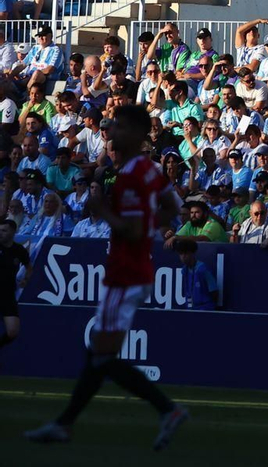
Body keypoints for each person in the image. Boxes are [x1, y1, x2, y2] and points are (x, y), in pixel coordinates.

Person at [25, 106, 189, 449]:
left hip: (126, 272)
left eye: (118, 126)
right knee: (99, 354)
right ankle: (66, 423)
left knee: (101, 356)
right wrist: (145, 224)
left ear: (136, 133)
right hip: (133, 270)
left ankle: (166, 409)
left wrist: (103, 213)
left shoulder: (130, 175)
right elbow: (172, 206)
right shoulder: (146, 168)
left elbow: (129, 230)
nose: (111, 131)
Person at [0, 218, 28, 353]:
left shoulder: (19, 250)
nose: (0, 233)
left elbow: (29, 267)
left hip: (8, 295)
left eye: (4, 230)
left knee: (13, 331)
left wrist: (26, 279)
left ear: (13, 232)